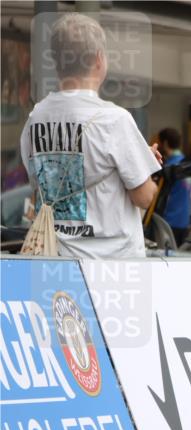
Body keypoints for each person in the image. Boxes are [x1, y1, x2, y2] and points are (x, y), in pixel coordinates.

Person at [19, 13, 161, 259]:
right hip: (112, 265)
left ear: (56, 61)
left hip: (54, 258)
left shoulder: (35, 118)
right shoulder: (114, 120)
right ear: (99, 59)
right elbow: (144, 197)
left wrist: (136, 156)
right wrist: (145, 167)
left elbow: (44, 181)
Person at [157, 127, 191, 245]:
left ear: (165, 143)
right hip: (184, 220)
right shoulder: (187, 163)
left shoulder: (169, 167)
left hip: (169, 222)